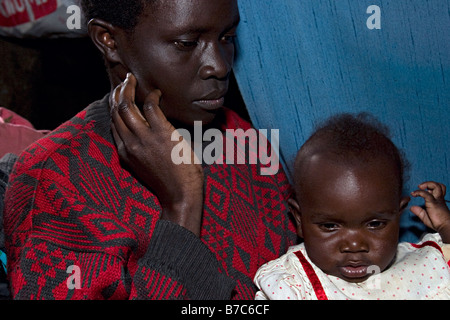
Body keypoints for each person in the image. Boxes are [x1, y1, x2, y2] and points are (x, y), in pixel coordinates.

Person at [3, 0, 297, 300]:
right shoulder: (53, 180)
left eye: (227, 38)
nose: (219, 66)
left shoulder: (243, 142)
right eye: (187, 43)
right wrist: (181, 205)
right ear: (109, 41)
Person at [254, 113, 450, 300]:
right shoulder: (293, 283)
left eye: (375, 224)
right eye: (330, 226)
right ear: (299, 219)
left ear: (398, 215)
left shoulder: (422, 265)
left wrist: (446, 226)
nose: (354, 245)